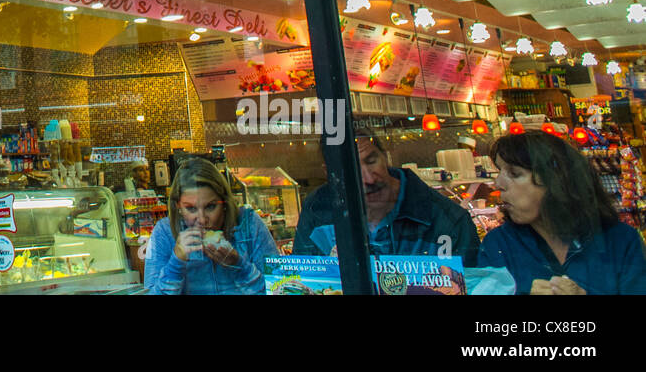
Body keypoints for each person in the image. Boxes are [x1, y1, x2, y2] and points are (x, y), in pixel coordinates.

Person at [479, 131, 646, 295]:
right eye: (499, 172)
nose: (498, 184)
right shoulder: (498, 245)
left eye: (514, 174)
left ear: (555, 180)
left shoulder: (619, 240)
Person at [292, 134, 480, 265]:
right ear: (330, 174)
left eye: (372, 161)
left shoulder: (448, 221)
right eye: (352, 168)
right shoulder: (318, 210)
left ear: (386, 157)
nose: (369, 179)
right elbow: (304, 279)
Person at [144, 157, 277, 294]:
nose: (201, 220)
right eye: (190, 208)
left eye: (211, 206)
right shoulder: (165, 232)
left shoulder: (248, 223)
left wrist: (239, 265)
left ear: (224, 202)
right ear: (178, 206)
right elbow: (151, 291)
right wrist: (176, 263)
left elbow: (278, 288)